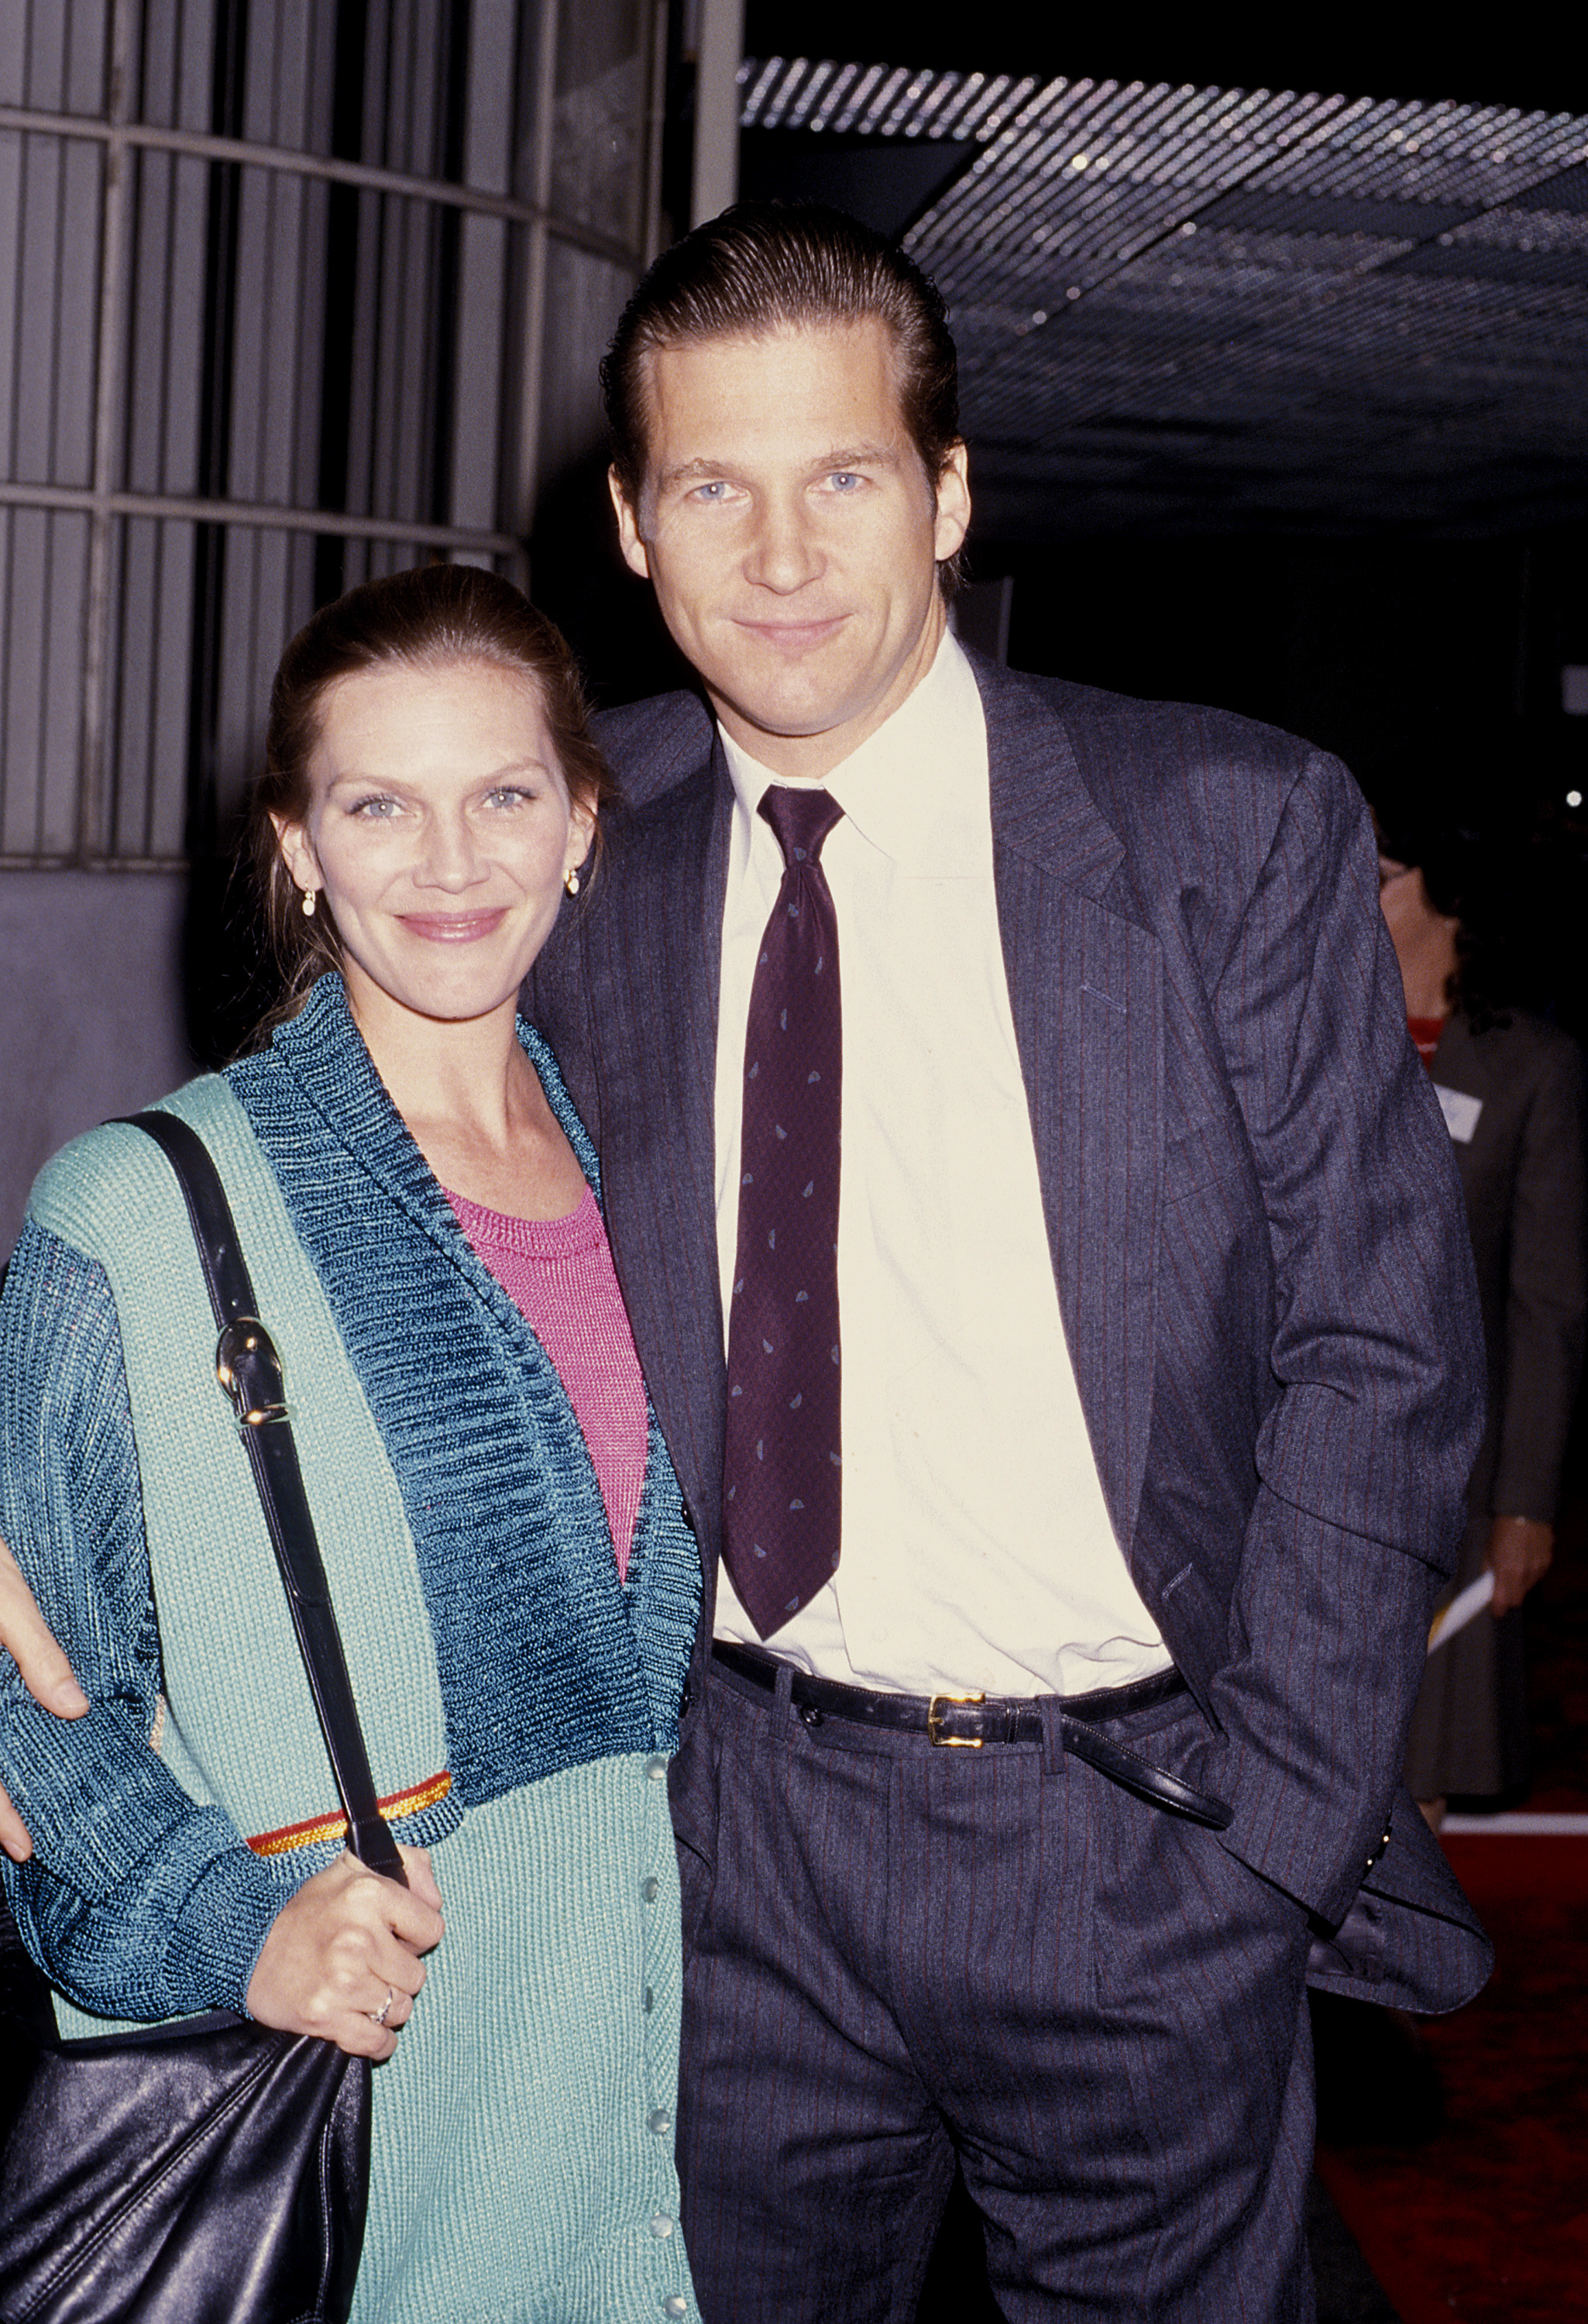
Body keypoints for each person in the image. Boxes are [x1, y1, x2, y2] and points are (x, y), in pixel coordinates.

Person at [1, 205, 1491, 2319]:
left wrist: (1263, 1839)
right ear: (630, 521)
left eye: (842, 479)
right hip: (728, 1846)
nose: (779, 557)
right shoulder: (580, 847)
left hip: (1134, 1831)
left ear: (951, 494)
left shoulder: (1221, 828)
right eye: (714, 486)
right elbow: (277, 1161)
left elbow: (1386, 1351)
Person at [0, 568, 703, 2322]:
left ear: (580, 825)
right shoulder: (140, 1210)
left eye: (504, 796)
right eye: (378, 805)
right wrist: (230, 1928)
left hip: (643, 2101)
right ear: (298, 848)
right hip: (362, 2116)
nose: (450, 863)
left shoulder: (661, 1176)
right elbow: (29, 1703)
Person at [1377, 810, 1586, 1816]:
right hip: (1289, 1455)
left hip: (1447, 1480)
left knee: (1417, 1769)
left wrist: (1526, 1503)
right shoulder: (1304, 1029)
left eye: (1377, 874)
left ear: (1444, 896)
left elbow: (1546, 1302)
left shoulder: (1529, 1066)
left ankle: (1380, 1975)